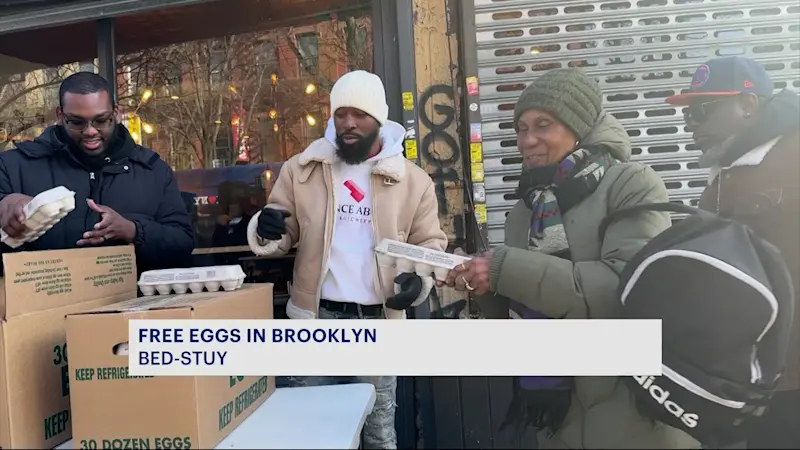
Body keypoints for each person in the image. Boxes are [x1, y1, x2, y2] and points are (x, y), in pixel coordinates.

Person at [443, 68, 700, 449]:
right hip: (558, 416)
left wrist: (504, 268)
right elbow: (520, 315)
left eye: (543, 125)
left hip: (632, 409)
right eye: (520, 128)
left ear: (577, 126)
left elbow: (625, 286)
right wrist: (477, 282)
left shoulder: (631, 183)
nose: (526, 140)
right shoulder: (524, 210)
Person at [245, 70, 447, 449]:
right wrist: (266, 229)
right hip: (313, 321)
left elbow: (429, 245)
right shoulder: (302, 170)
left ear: (379, 120)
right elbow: (279, 229)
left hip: (376, 325)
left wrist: (419, 282)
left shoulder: (412, 181)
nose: (349, 123)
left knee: (377, 436)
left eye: (360, 114)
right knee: (311, 435)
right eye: (341, 114)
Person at [666, 56, 800, 449]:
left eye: (703, 111)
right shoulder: (721, 179)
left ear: (748, 104)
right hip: (743, 387)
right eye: (689, 114)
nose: (693, 125)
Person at [0, 72, 194, 273]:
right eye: (77, 122)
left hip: (130, 301)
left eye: (101, 120)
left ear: (116, 113)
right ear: (60, 116)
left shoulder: (152, 170)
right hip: (43, 301)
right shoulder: (12, 166)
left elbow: (182, 246)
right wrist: (4, 205)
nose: (90, 131)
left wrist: (134, 230)